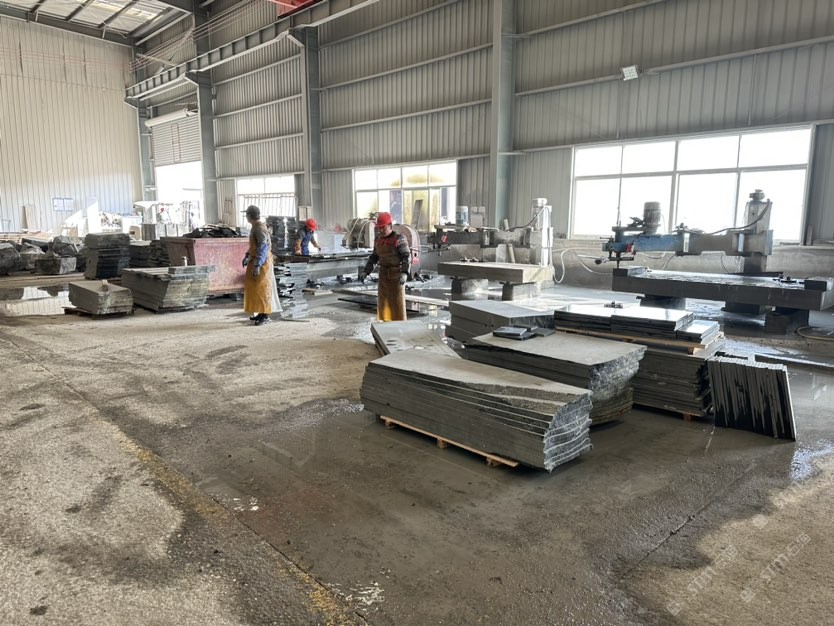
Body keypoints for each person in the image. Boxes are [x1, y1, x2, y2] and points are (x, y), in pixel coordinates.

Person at [359, 212, 411, 322]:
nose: (380, 230)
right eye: (379, 228)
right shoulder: (378, 240)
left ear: (390, 226)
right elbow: (374, 258)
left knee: (397, 305)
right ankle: (384, 326)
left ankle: (399, 327)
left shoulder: (399, 239)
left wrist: (404, 273)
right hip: (383, 276)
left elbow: (406, 257)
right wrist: (366, 271)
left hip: (396, 277)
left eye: (383, 227)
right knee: (383, 305)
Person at [242, 205, 274, 326]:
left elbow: (263, 246)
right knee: (256, 289)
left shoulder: (259, 228)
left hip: (262, 262)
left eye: (246, 215)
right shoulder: (255, 227)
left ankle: (265, 316)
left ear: (250, 216)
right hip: (256, 260)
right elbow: (254, 246)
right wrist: (247, 255)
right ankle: (261, 312)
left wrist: (257, 265)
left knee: (262, 289)